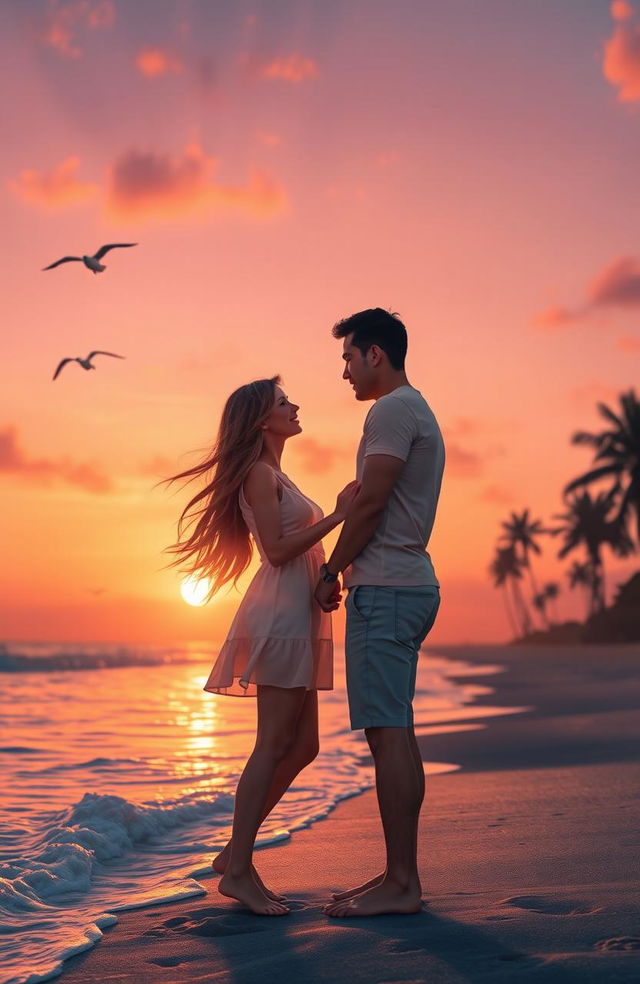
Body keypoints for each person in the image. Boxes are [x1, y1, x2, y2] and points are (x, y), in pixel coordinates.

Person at [166, 376, 359, 915]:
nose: (295, 405)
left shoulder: (277, 473)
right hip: (278, 616)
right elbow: (274, 551)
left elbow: (295, 551)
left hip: (298, 613)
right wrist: (339, 515)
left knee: (304, 747)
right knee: (273, 744)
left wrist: (325, 578)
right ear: (261, 420)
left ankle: (234, 852)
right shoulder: (257, 473)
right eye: (283, 403)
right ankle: (242, 870)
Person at [314, 309, 445, 917]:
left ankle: (402, 884)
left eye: (348, 358)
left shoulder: (392, 410)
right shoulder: (412, 410)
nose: (343, 371)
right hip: (405, 585)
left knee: (388, 735)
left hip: (388, 588)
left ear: (374, 354)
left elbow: (370, 502)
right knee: (397, 732)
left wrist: (331, 568)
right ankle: (398, 876)